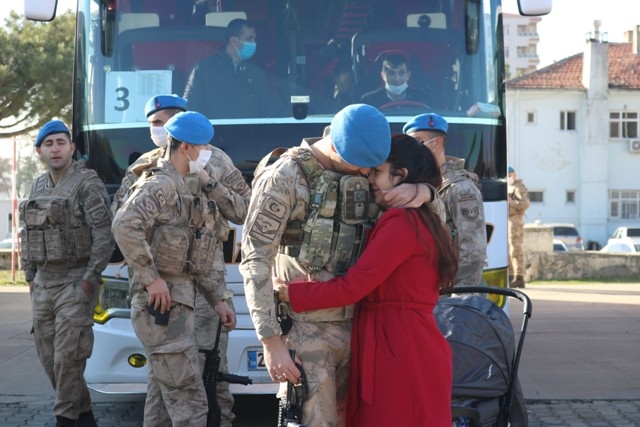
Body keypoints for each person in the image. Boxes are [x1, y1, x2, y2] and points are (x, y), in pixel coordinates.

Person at [240, 104, 439, 426]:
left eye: (371, 168)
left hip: (362, 332)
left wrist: (425, 191)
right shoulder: (287, 175)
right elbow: (255, 260)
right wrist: (271, 340)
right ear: (334, 145)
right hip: (308, 333)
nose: (365, 173)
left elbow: (431, 222)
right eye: (360, 165)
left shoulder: (368, 169)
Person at [279, 133, 457, 426]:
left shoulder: (400, 221)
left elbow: (354, 287)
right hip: (406, 340)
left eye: (377, 171)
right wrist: (425, 190)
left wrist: (291, 294)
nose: (368, 178)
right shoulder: (423, 216)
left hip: (398, 346)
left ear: (401, 176)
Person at [112, 94, 250, 426]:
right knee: (181, 387)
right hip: (165, 291)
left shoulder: (215, 162)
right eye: (155, 122)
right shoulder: (153, 174)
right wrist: (150, 276)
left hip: (201, 283)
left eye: (169, 119)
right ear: (185, 145)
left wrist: (217, 297)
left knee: (204, 378)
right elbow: (123, 221)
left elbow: (243, 210)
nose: (162, 128)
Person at [20, 120, 114, 427]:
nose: (55, 148)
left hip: (76, 281)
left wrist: (90, 277)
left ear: (71, 148)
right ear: (39, 151)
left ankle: (65, 420)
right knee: (50, 361)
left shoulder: (88, 184)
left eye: (61, 142)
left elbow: (103, 233)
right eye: (48, 144)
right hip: (44, 284)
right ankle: (85, 417)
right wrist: (29, 276)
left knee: (67, 359)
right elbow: (26, 232)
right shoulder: (36, 186)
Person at [403, 113, 487, 286]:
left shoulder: (461, 188)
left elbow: (473, 253)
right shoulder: (418, 185)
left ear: (437, 143)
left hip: (449, 298)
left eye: (419, 141)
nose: (414, 149)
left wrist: (457, 299)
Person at [183, 18, 271, 118]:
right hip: (215, 132)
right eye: (249, 38)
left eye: (255, 39)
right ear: (234, 40)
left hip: (250, 132)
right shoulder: (204, 68)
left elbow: (267, 110)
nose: (254, 43)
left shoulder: (257, 72)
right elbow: (190, 107)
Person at [360, 53, 430, 109]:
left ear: (408, 75)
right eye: (391, 73)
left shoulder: (423, 98)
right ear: (383, 76)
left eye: (401, 73)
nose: (397, 78)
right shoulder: (369, 100)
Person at [507, 166, 530, 289]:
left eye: (511, 174)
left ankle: (519, 277)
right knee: (507, 250)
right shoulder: (507, 186)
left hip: (515, 220)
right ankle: (511, 275)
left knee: (516, 249)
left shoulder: (518, 186)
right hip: (506, 220)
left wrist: (512, 202)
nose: (510, 177)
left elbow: (525, 204)